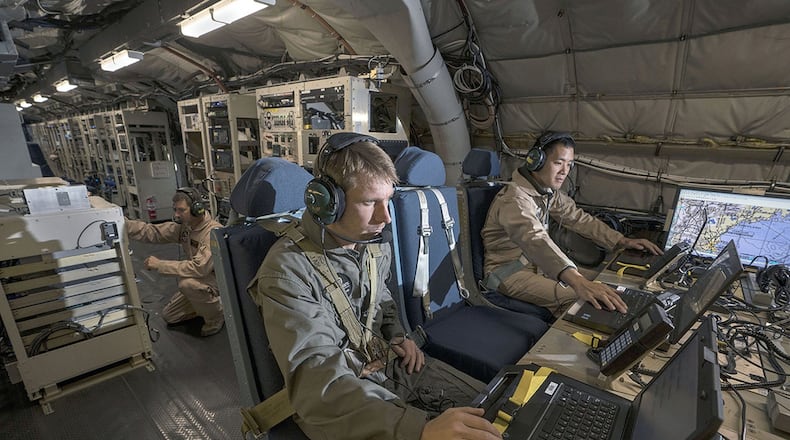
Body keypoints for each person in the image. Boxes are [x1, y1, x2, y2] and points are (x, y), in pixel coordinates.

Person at [250, 133, 502, 440]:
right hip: (337, 400)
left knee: (496, 413)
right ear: (328, 202)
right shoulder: (286, 272)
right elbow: (317, 378)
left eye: (388, 200)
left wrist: (397, 334)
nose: (386, 217)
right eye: (370, 202)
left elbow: (381, 298)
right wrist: (420, 430)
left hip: (388, 367)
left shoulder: (369, 243)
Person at [482, 132, 662, 316]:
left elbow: (578, 218)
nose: (564, 171)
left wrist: (621, 240)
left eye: (569, 164)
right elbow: (535, 240)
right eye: (558, 163)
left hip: (539, 266)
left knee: (612, 284)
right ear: (536, 161)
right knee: (584, 299)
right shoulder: (514, 200)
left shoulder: (545, 192)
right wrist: (578, 282)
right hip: (509, 274)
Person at [125, 188, 225, 337]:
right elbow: (153, 232)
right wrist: (123, 224)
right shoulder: (186, 227)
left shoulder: (212, 232)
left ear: (197, 209)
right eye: (175, 209)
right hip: (201, 278)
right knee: (170, 316)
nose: (177, 214)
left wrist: (160, 265)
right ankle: (206, 304)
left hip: (218, 281)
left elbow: (199, 268)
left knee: (187, 284)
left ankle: (216, 317)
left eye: (181, 210)